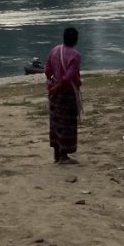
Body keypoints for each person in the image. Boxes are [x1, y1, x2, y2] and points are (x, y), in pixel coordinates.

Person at [44, 26, 82, 164]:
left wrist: (52, 85)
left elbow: (47, 70)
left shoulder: (55, 50)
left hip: (54, 94)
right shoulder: (75, 55)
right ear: (75, 40)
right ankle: (64, 156)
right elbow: (67, 78)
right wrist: (57, 88)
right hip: (67, 94)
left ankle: (56, 154)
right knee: (67, 123)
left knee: (55, 123)